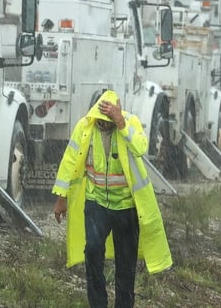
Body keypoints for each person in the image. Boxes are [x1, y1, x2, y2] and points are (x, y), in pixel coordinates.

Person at [52, 90, 172, 308]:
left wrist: (121, 123)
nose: (104, 125)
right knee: (93, 250)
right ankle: (98, 303)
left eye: (109, 120)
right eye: (102, 120)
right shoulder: (85, 127)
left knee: (126, 266)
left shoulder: (129, 122)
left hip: (126, 207)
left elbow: (141, 148)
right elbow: (69, 161)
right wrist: (61, 197)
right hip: (96, 203)